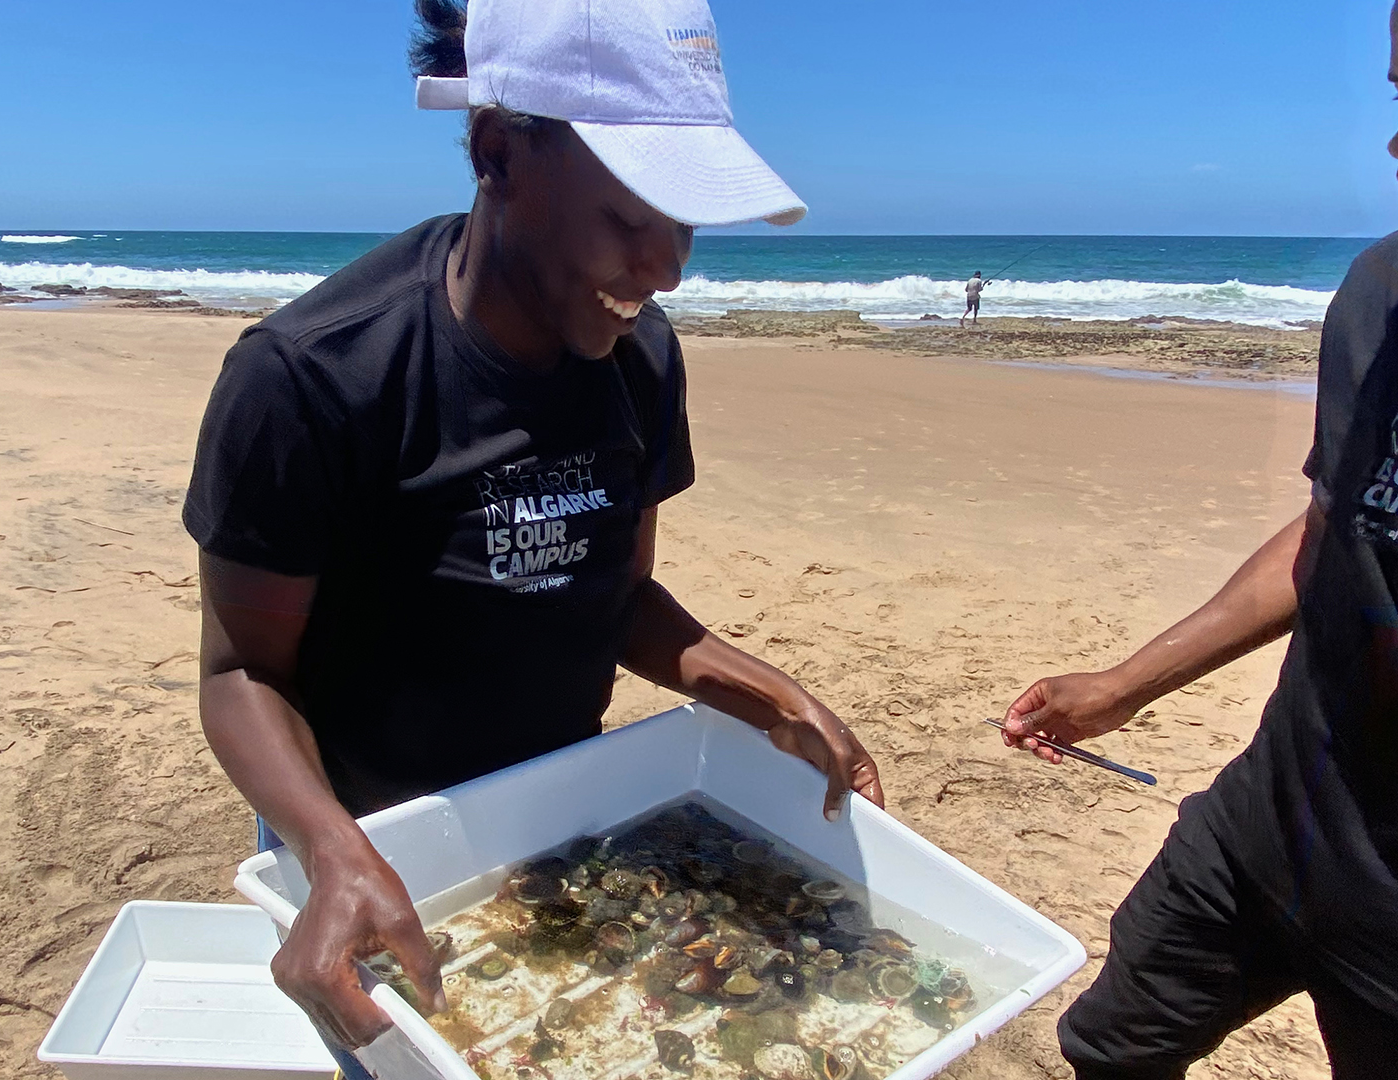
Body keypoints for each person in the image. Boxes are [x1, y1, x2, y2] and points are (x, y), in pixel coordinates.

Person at [183, 0, 885, 1067]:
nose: (669, 267)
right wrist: (332, 847)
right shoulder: (309, 379)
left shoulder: (642, 361)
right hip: (372, 831)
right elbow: (241, 672)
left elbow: (613, 595)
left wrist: (764, 694)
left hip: (566, 810)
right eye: (631, 217)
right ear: (499, 151)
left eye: (689, 222)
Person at [998, 0, 1398, 1074]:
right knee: (1107, 1048)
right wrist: (1129, 683)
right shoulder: (1394, 290)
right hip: (1269, 832)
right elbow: (1340, 531)